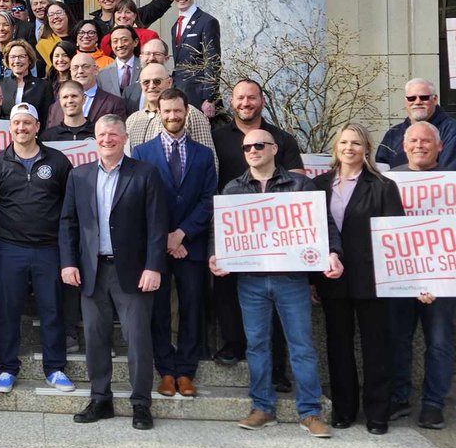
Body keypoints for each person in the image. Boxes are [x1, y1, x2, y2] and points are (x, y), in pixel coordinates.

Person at [210, 129, 342, 438]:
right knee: (257, 346)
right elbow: (220, 232)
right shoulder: (233, 189)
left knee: (302, 346)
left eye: (259, 145)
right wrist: (216, 255)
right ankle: (262, 408)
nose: (253, 150)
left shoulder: (300, 185)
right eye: (247, 147)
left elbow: (325, 225)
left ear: (273, 149)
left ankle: (310, 412)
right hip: (251, 281)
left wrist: (333, 253)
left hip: (291, 279)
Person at [60, 115, 166, 430]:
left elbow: (157, 225)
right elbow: (68, 223)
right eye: (102, 134)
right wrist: (68, 262)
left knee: (138, 339)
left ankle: (140, 404)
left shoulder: (145, 173)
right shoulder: (79, 176)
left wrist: (153, 266)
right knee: (94, 338)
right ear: (95, 138)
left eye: (113, 134)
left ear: (123, 138)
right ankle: (100, 399)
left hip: (133, 273)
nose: (107, 139)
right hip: (92, 271)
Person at [313, 123, 401, 434]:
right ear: (335, 147)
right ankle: (344, 409)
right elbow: (312, 236)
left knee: (376, 348)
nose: (349, 148)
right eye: (344, 142)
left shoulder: (383, 186)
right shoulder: (319, 186)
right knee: (338, 347)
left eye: (356, 143)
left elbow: (396, 239)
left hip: (373, 280)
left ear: (366, 149)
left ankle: (378, 414)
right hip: (332, 280)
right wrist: (314, 279)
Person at [0, 103, 75, 395]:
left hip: (48, 249)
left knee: (51, 309)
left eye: (27, 123)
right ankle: (7, 368)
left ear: (37, 127)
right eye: (16, 124)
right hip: (9, 249)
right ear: (10, 128)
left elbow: (67, 206)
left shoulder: (58, 162)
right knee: (8, 311)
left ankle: (55, 368)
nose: (21, 129)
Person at [211, 78, 303, 373]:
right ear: (232, 101)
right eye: (240, 98)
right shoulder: (218, 136)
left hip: (275, 230)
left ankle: (277, 367)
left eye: (251, 98)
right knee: (226, 288)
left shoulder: (282, 138)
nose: (245, 103)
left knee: (271, 298)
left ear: (262, 101)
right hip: (232, 228)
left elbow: (300, 180)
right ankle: (232, 344)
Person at [132, 89, 216, 399]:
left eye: (177, 111)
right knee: (159, 311)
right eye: (166, 111)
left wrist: (181, 234)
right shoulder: (142, 152)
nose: (172, 116)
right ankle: (165, 370)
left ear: (186, 111)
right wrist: (165, 237)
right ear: (159, 111)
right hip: (156, 246)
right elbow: (140, 201)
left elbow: (208, 199)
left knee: (193, 308)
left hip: (189, 246)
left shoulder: (204, 155)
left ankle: (186, 371)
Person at [388, 121, 454, 429]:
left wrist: (436, 278)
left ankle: (433, 404)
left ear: (439, 147)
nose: (419, 145)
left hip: (443, 281)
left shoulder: (452, 182)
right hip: (400, 279)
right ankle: (399, 398)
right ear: (403, 146)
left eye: (426, 141)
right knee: (397, 340)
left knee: (439, 342)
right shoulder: (389, 181)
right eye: (413, 140)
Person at [126, 63, 217, 170]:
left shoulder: (190, 113)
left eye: (157, 81)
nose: (151, 86)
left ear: (169, 82)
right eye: (146, 82)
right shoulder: (132, 120)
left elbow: (209, 161)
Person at [375, 78, 456, 169]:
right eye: (411, 98)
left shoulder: (452, 131)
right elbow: (381, 170)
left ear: (435, 99)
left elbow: (449, 172)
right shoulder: (393, 134)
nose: (417, 102)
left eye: (424, 97)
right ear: (405, 101)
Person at [170, 0, 221, 116]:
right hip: (180, 94)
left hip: (199, 97)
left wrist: (209, 98)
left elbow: (213, 60)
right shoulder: (175, 26)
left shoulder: (207, 22)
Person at [45, 53, 125, 129]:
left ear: (96, 70)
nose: (80, 71)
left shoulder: (113, 103)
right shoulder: (55, 108)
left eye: (85, 66)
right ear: (71, 72)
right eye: (75, 68)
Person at [96, 25, 144, 113]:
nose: (120, 45)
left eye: (124, 40)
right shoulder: (102, 75)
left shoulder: (145, 69)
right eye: (115, 41)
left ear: (135, 42)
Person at [0, 40, 52, 114]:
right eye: (13, 57)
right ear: (7, 60)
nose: (17, 61)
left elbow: (47, 116)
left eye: (21, 56)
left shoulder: (43, 86)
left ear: (29, 59)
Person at [35, 1, 74, 72]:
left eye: (59, 13)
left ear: (67, 14)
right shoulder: (42, 45)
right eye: (51, 15)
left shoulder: (80, 38)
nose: (55, 17)